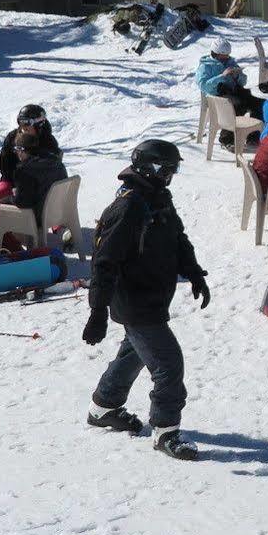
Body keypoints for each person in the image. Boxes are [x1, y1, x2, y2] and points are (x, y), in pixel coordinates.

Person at [83, 139, 209, 462]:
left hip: (151, 295)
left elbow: (177, 237)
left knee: (134, 353)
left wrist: (193, 271)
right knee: (168, 362)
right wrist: (98, 310)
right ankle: (166, 432)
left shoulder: (157, 197)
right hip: (135, 300)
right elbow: (104, 261)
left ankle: (104, 406)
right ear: (147, 167)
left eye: (174, 169)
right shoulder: (128, 207)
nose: (169, 176)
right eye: (165, 169)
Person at [0, 128, 68, 253]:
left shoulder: (24, 169)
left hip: (35, 214)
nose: (16, 154)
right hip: (56, 211)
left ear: (22, 150)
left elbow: (23, 203)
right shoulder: (56, 162)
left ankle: (14, 250)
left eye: (17, 150)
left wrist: (8, 199)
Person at [197, 39, 264, 119]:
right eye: (224, 55)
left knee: (259, 104)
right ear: (216, 54)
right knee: (240, 105)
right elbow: (203, 86)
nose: (227, 57)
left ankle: (256, 127)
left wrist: (237, 76)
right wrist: (222, 76)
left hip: (233, 93)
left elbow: (243, 82)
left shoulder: (229, 61)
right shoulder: (206, 66)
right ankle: (233, 129)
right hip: (217, 98)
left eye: (228, 55)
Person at [0, 104, 53, 192]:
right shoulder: (12, 137)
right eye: (20, 121)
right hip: (12, 179)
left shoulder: (47, 141)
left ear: (38, 124)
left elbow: (50, 169)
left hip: (38, 183)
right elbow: (4, 164)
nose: (23, 126)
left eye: (27, 122)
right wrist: (15, 181)